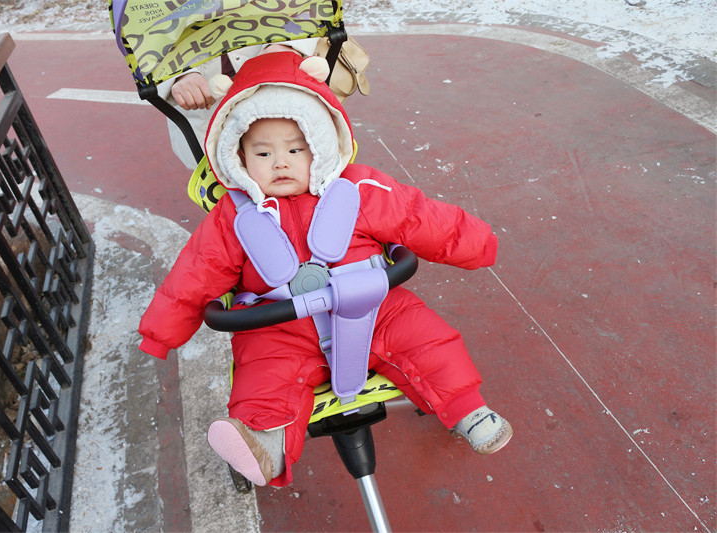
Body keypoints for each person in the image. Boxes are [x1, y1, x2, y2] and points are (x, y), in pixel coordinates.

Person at [138, 51, 513, 488]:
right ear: (238, 158)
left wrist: (477, 243)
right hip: (279, 326)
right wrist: (160, 333)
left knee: (426, 339)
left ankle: (466, 407)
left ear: (320, 144)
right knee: (263, 376)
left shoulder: (359, 188)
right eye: (263, 152)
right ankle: (265, 444)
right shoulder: (231, 217)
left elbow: (419, 217)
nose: (281, 162)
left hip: (375, 307)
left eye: (295, 149)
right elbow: (195, 274)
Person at [157, 40, 317, 169]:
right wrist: (177, 72)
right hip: (201, 96)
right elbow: (140, 22)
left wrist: (287, 42)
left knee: (298, 167)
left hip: (271, 59)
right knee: (221, 189)